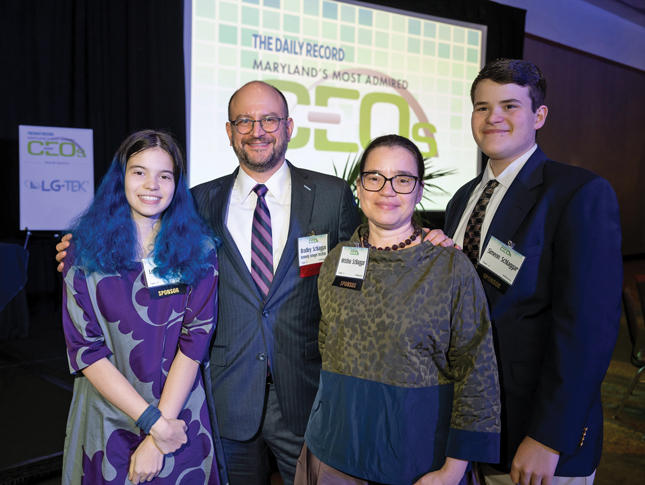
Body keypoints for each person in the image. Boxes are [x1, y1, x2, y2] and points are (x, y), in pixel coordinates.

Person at [57, 81, 453, 485]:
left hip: (307, 397)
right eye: (244, 121)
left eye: (269, 119)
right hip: (225, 399)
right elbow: (146, 236)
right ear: (230, 132)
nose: (257, 130)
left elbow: (371, 252)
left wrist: (422, 239)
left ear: (289, 126)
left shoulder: (332, 197)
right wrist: (81, 243)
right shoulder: (198, 202)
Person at [443, 59, 622, 485]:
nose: (493, 118)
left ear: (539, 115)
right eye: (482, 107)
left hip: (534, 439)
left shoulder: (578, 193)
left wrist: (549, 438)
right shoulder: (462, 199)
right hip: (468, 432)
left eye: (509, 106)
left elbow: (587, 331)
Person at [297, 134, 501, 485]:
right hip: (333, 453)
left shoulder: (450, 268)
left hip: (417, 462)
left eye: (402, 180)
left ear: (419, 191)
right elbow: (328, 348)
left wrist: (453, 471)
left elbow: (477, 372)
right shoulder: (336, 261)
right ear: (359, 189)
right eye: (374, 178)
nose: (387, 190)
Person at [60, 130, 223, 484]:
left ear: (177, 185)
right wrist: (153, 424)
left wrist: (159, 433)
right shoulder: (83, 252)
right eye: (139, 172)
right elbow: (86, 350)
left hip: (177, 414)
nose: (152, 185)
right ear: (121, 178)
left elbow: (193, 345)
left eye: (164, 175)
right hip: (108, 417)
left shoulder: (200, 251)